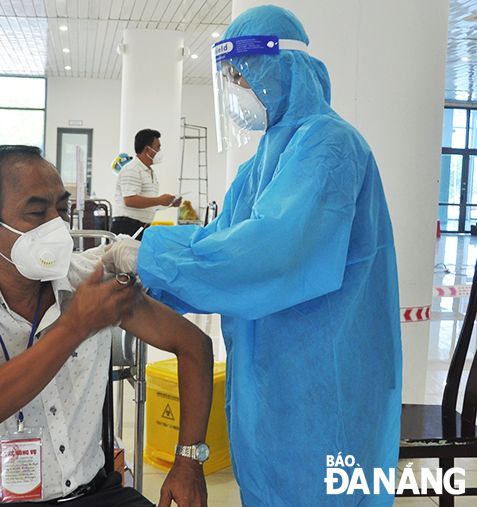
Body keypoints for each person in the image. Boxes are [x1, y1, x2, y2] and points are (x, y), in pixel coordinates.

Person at [103, 6, 402, 506]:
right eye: (229, 77)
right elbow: (222, 242)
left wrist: (148, 254)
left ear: (282, 68)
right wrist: (142, 282)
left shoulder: (330, 148)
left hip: (324, 381)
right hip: (266, 382)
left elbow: (269, 255)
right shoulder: (259, 163)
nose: (236, 88)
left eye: (241, 75)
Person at [0, 145, 213, 507]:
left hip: (96, 494)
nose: (57, 225)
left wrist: (188, 461)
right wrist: (77, 325)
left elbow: (194, 345)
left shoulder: (90, 281)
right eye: (37, 212)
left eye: (62, 209)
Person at [111, 129, 182, 240]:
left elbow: (148, 202)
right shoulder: (132, 169)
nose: (160, 151)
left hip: (142, 227)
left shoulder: (149, 172)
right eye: (157, 148)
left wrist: (169, 203)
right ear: (147, 149)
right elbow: (130, 200)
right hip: (127, 226)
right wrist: (159, 200)